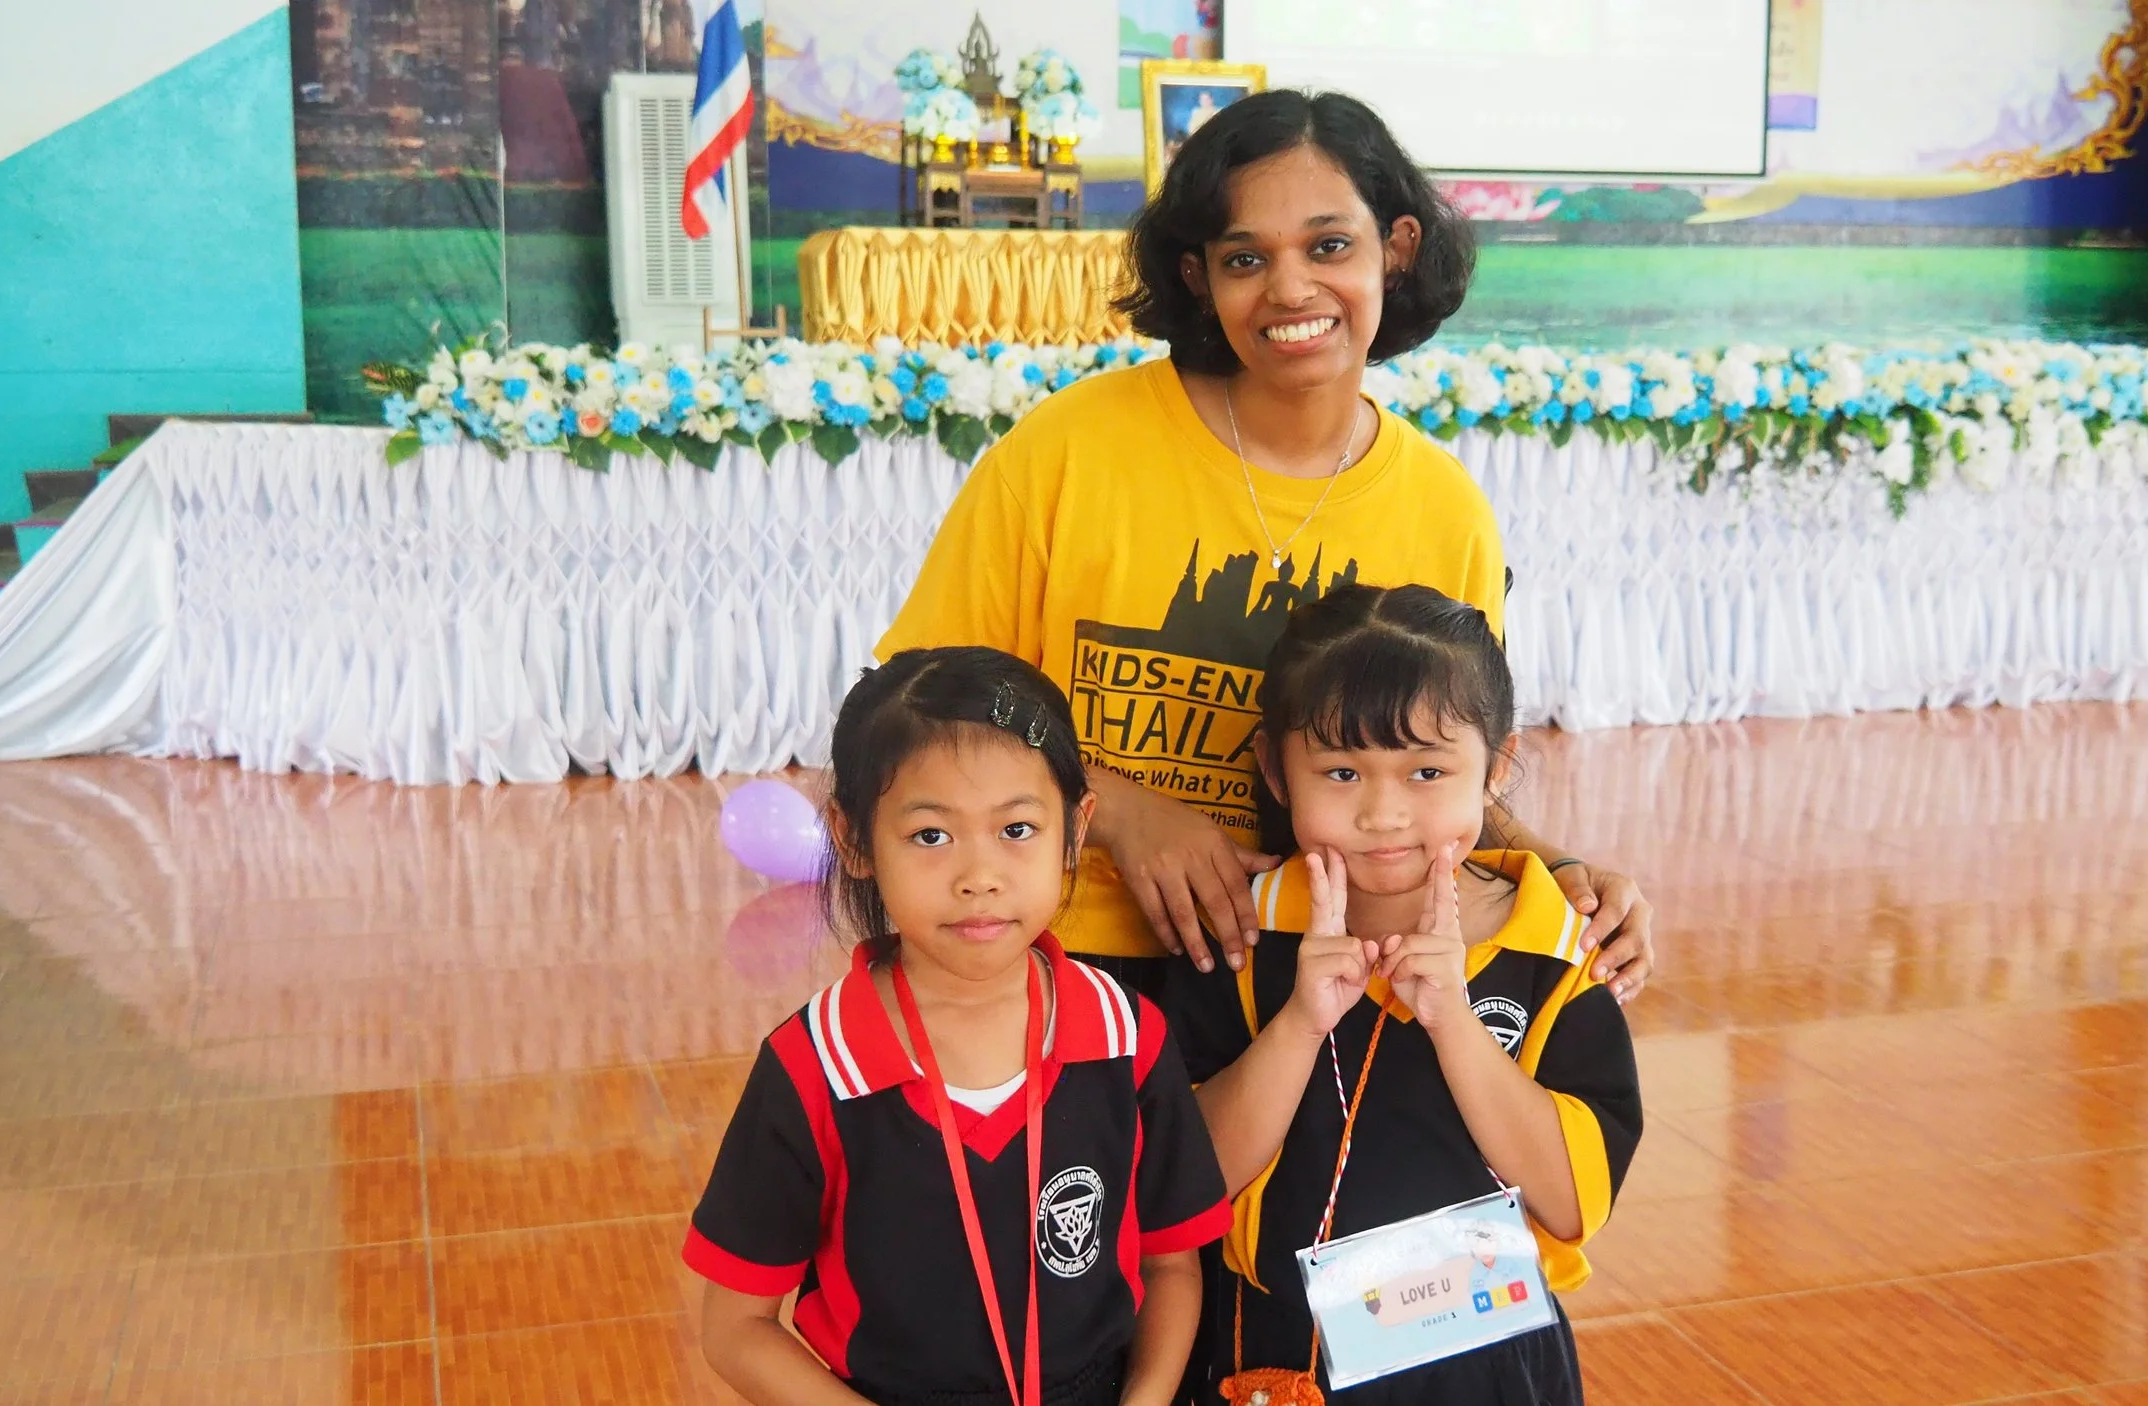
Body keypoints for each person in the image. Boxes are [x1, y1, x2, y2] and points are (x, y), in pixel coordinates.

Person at [877, 89, 1654, 1005]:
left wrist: (1559, 868)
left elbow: (1434, 766)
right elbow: (914, 707)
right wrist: (1118, 813)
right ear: (1199, 276)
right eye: (1246, 257)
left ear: (1396, 249)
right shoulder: (1068, 449)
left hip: (1313, 976)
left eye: (1330, 246)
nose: (1291, 290)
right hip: (1056, 958)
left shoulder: (1444, 511)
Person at [685, 648, 1232, 1406]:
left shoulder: (1126, 1036)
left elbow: (1173, 1262)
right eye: (932, 836)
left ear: (1076, 829)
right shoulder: (814, 1065)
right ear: (852, 840)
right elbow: (736, 1327)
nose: (980, 876)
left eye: (1016, 829)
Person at [1166, 584, 1642, 1404]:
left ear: (1495, 769)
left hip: (1488, 1361)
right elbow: (1186, 1180)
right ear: (1276, 771)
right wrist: (1298, 1027)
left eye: (1428, 770)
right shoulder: (1241, 938)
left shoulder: (1560, 948)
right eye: (1342, 771)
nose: (1383, 813)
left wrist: (1456, 1022)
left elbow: (1571, 1205)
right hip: (1278, 1359)